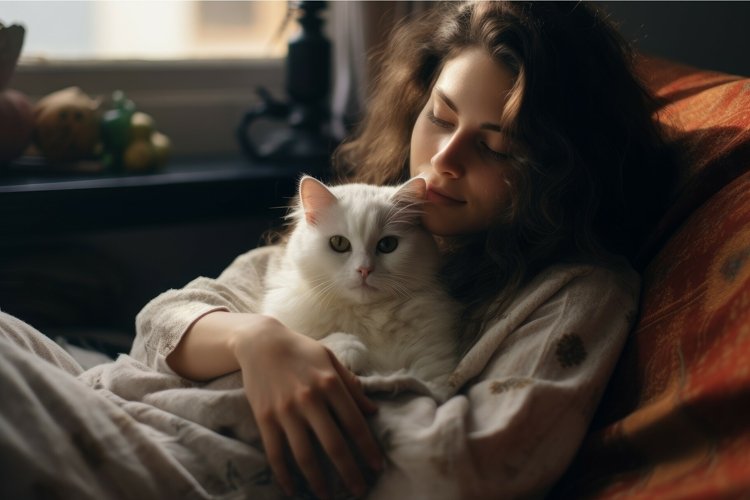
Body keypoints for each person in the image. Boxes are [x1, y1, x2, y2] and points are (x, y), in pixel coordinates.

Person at [0, 2, 674, 499]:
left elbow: (461, 466)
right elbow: (160, 326)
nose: (443, 159)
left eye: (495, 146)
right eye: (439, 115)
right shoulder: (364, 210)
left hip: (171, 457)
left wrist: (322, 383)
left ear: (561, 169)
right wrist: (257, 343)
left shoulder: (577, 293)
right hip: (112, 392)